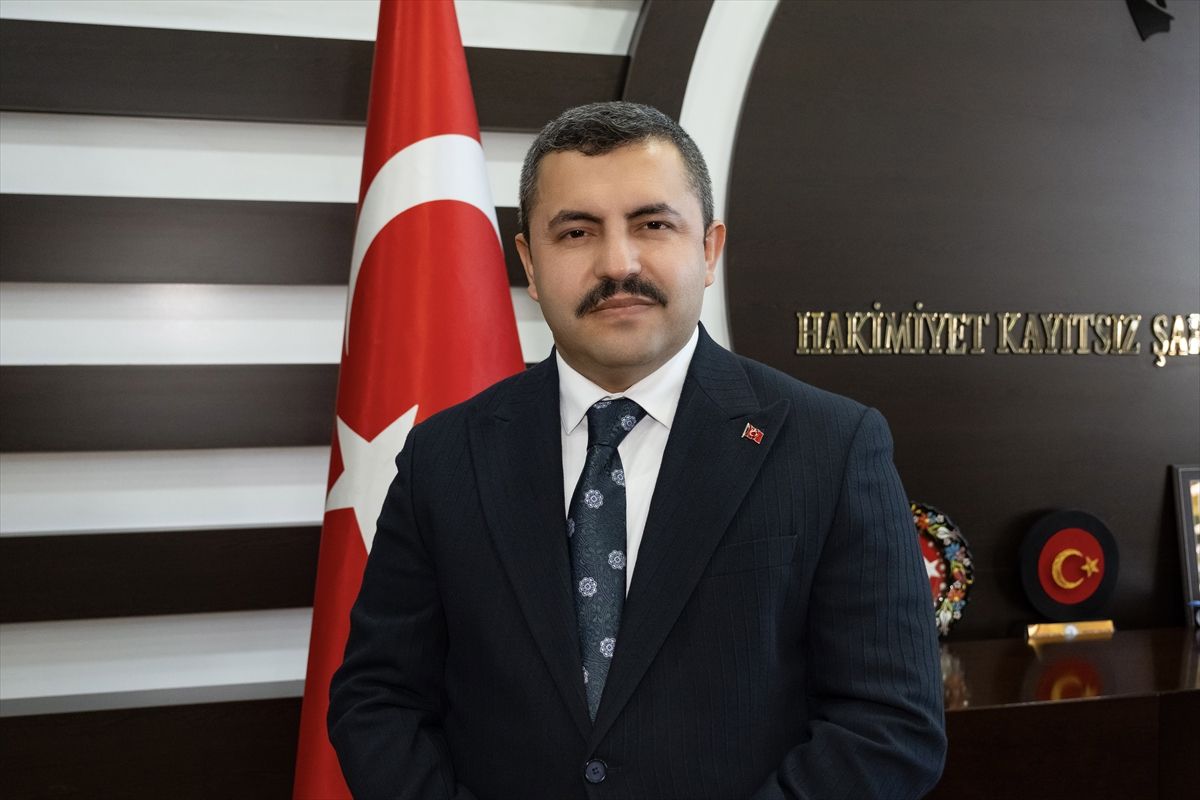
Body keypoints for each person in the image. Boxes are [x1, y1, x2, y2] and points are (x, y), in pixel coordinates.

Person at [329, 102, 946, 799]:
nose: (617, 263)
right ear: (529, 261)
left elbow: (890, 726)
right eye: (576, 232)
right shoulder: (443, 457)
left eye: (653, 224)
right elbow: (378, 700)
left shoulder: (833, 446)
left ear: (708, 249)